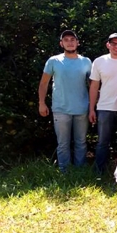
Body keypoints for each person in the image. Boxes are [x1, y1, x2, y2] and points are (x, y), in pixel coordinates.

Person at [38, 30, 92, 172]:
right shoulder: (53, 61)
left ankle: (80, 171)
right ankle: (65, 172)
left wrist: (93, 106)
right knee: (63, 144)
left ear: (78, 42)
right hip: (60, 109)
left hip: (82, 109)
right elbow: (44, 83)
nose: (70, 42)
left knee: (81, 142)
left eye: (72, 39)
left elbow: (93, 85)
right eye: (66, 40)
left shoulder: (86, 61)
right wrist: (41, 103)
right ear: (61, 43)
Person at [89, 33, 117, 174]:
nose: (116, 46)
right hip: (104, 107)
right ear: (108, 45)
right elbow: (94, 86)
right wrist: (91, 109)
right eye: (113, 43)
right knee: (103, 142)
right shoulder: (99, 61)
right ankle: (99, 172)